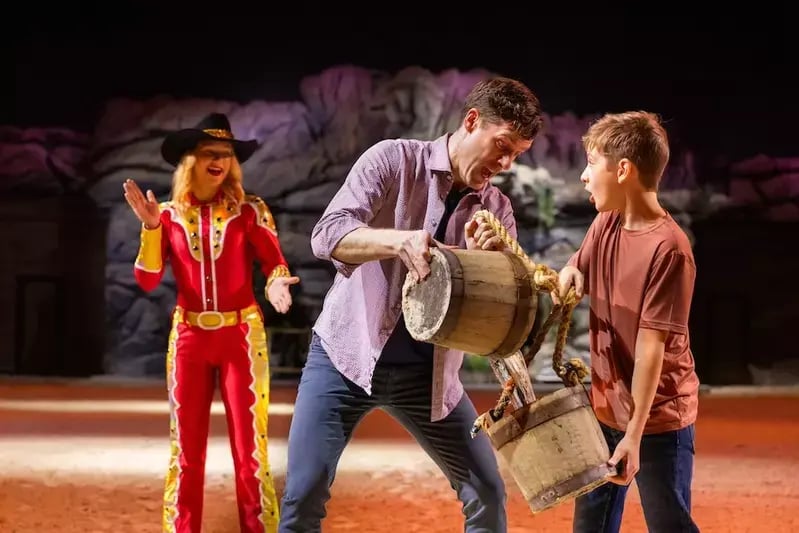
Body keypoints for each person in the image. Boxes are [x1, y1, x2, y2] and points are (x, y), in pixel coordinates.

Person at [278, 77, 545, 532]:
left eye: (516, 155)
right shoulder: (393, 159)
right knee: (304, 494)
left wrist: (492, 265)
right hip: (345, 359)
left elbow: (501, 316)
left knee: (487, 492)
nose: (505, 163)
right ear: (472, 121)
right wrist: (398, 241)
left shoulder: (496, 210)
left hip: (429, 378)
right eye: (502, 146)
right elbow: (327, 235)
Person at [123, 112, 300, 533]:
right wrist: (151, 228)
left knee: (250, 452)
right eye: (209, 153)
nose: (219, 160)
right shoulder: (167, 216)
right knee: (186, 452)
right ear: (190, 160)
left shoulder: (250, 210)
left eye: (225, 154)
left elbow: (274, 262)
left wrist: (278, 283)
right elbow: (147, 281)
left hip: (241, 337)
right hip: (189, 338)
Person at [556, 111, 701, 532]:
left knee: (669, 524)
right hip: (605, 409)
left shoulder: (670, 250)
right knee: (591, 525)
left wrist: (633, 437)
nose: (584, 176)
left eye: (591, 163)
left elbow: (650, 349)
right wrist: (569, 270)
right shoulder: (606, 221)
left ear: (623, 170)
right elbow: (578, 265)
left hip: (657, 418)